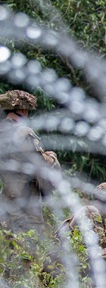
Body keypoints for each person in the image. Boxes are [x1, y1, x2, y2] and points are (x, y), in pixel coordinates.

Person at [0, 89, 61, 233]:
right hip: (27, 203)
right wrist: (52, 157)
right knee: (31, 246)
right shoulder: (24, 132)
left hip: (7, 198)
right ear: (23, 110)